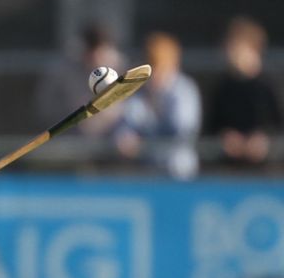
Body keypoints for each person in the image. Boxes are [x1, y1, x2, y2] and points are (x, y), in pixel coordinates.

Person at [113, 31, 202, 179]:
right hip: (148, 173)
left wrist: (143, 142)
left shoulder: (184, 90)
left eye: (161, 66)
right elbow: (126, 123)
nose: (156, 73)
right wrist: (125, 137)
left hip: (178, 172)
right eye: (153, 66)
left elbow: (181, 129)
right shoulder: (140, 92)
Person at [205, 16, 281, 168]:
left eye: (235, 47)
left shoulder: (269, 87)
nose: (229, 52)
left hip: (267, 172)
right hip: (229, 169)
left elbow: (277, 126)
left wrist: (264, 141)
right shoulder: (223, 88)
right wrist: (225, 138)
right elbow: (210, 128)